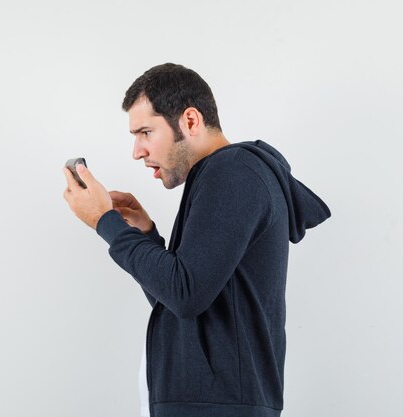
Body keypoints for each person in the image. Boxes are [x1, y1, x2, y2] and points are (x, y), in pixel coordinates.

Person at [62, 63, 331, 417]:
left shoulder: (233, 171)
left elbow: (185, 294)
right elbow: (182, 299)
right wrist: (144, 236)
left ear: (190, 121)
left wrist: (106, 222)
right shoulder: (225, 176)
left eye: (145, 132)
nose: (137, 151)